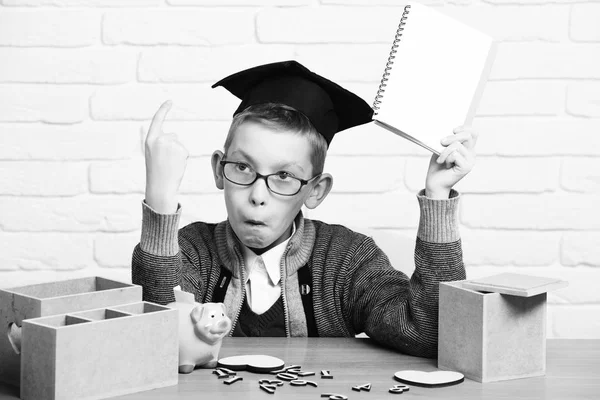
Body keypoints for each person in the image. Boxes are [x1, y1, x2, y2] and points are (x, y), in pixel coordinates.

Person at [132, 60, 477, 358]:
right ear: (218, 169)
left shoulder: (346, 261)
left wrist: (438, 197)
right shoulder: (191, 250)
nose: (257, 195)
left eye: (283, 176)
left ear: (315, 190)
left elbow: (428, 335)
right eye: (242, 168)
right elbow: (157, 340)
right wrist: (160, 199)